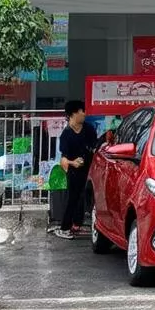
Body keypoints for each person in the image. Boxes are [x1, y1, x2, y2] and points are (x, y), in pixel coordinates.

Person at [55, 100, 98, 240]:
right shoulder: (66, 135)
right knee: (73, 198)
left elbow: (94, 147)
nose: (84, 114)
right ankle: (64, 228)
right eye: (82, 111)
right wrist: (73, 163)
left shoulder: (89, 129)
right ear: (73, 114)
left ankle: (77, 225)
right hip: (74, 171)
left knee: (85, 197)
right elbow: (63, 159)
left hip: (90, 169)